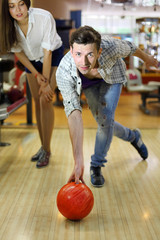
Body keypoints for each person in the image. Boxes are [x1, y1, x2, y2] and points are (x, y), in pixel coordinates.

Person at [56, 26, 158, 187]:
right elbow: (74, 114)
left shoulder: (112, 46)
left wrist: (147, 59)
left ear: (99, 51)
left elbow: (132, 48)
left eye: (90, 54)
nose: (84, 62)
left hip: (112, 79)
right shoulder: (64, 71)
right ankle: (133, 136)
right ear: (71, 50)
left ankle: (96, 164)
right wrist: (77, 162)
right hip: (89, 85)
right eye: (78, 54)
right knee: (105, 123)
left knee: (105, 121)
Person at [0, 0, 64, 168]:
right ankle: (43, 147)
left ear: (27, 4)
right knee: (36, 101)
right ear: (7, 9)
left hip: (53, 56)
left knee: (45, 99)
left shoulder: (44, 17)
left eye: (21, 4)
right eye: (12, 6)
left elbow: (48, 52)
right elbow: (19, 53)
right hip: (31, 62)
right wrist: (36, 74)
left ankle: (47, 150)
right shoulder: (8, 26)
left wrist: (45, 82)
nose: (17, 10)